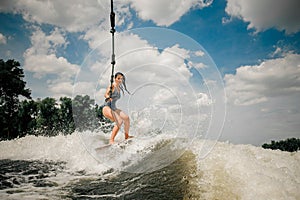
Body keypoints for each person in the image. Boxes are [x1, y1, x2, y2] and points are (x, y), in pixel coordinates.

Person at [102, 72, 133, 144]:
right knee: (119, 121)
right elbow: (105, 94)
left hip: (114, 108)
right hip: (107, 107)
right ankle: (111, 140)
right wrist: (108, 97)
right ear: (115, 79)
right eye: (118, 78)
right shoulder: (112, 86)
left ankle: (126, 136)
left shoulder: (119, 88)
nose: (120, 80)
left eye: (121, 79)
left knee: (126, 118)